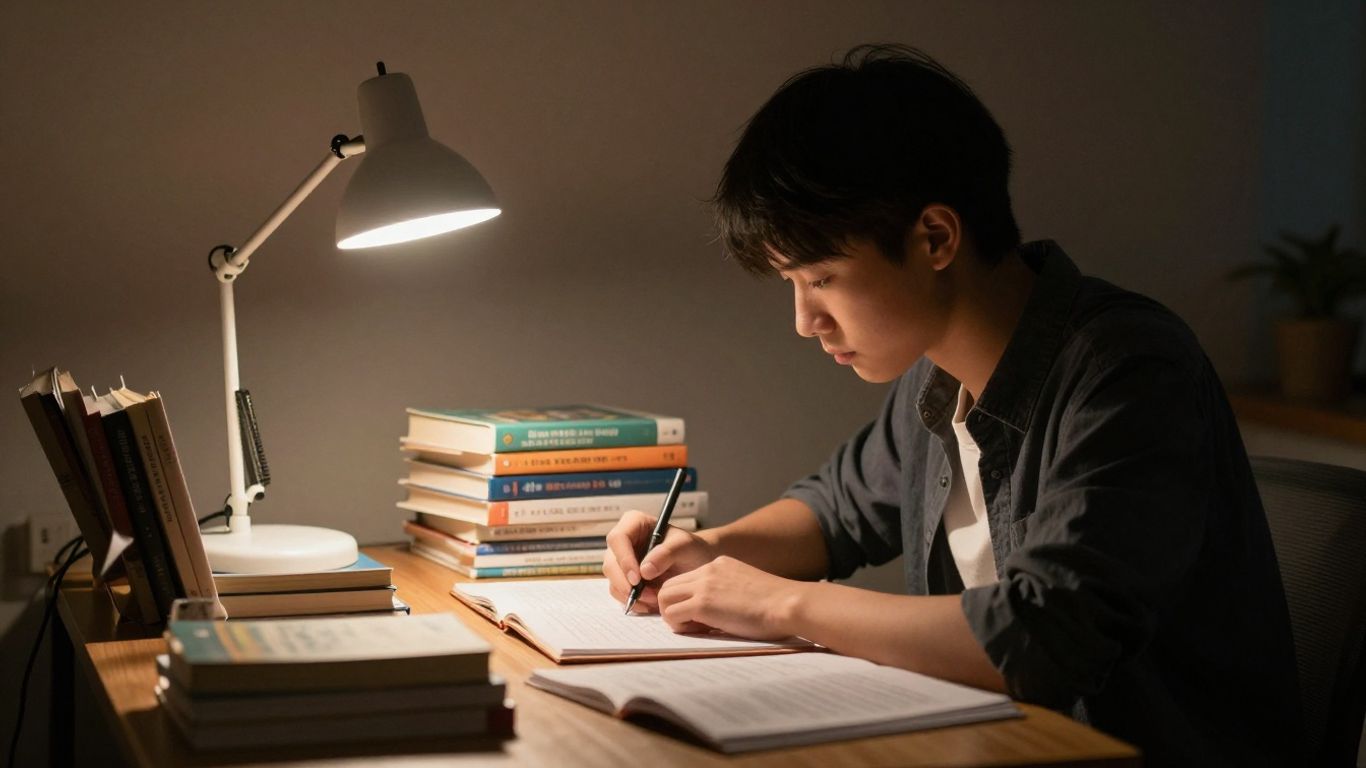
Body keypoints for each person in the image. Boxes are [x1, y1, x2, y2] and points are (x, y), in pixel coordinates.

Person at [603, 44, 1303, 766]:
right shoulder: (931, 375)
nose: (804, 320)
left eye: (822, 278)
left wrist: (775, 602)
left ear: (935, 238)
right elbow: (836, 510)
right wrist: (710, 549)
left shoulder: (1128, 368)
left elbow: (1041, 637)